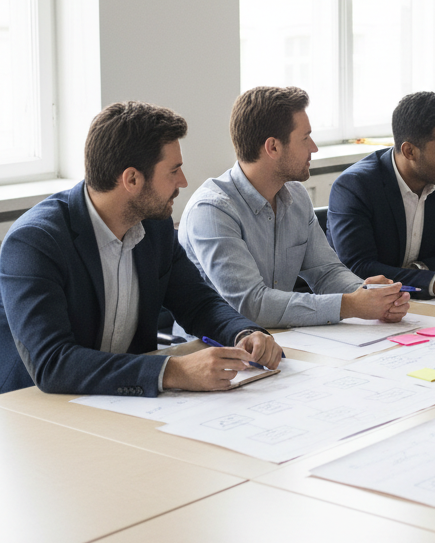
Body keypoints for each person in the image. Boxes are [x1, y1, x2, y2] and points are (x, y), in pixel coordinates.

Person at [0, 102, 282, 396]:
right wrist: (174, 370)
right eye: (173, 171)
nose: (183, 182)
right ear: (132, 179)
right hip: (36, 407)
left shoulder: (154, 226)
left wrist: (244, 333)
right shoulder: (34, 242)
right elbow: (53, 363)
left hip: (127, 400)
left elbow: (198, 303)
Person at [179, 87, 410, 328]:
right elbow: (251, 305)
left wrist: (369, 295)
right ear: (273, 148)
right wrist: (351, 305)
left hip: (283, 339)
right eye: (305, 138)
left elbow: (326, 272)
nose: (314, 148)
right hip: (217, 348)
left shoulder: (296, 196)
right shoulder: (212, 211)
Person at [328, 91, 435, 297]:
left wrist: (422, 268)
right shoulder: (355, 186)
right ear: (409, 151)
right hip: (364, 312)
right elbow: (358, 269)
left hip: (426, 309)